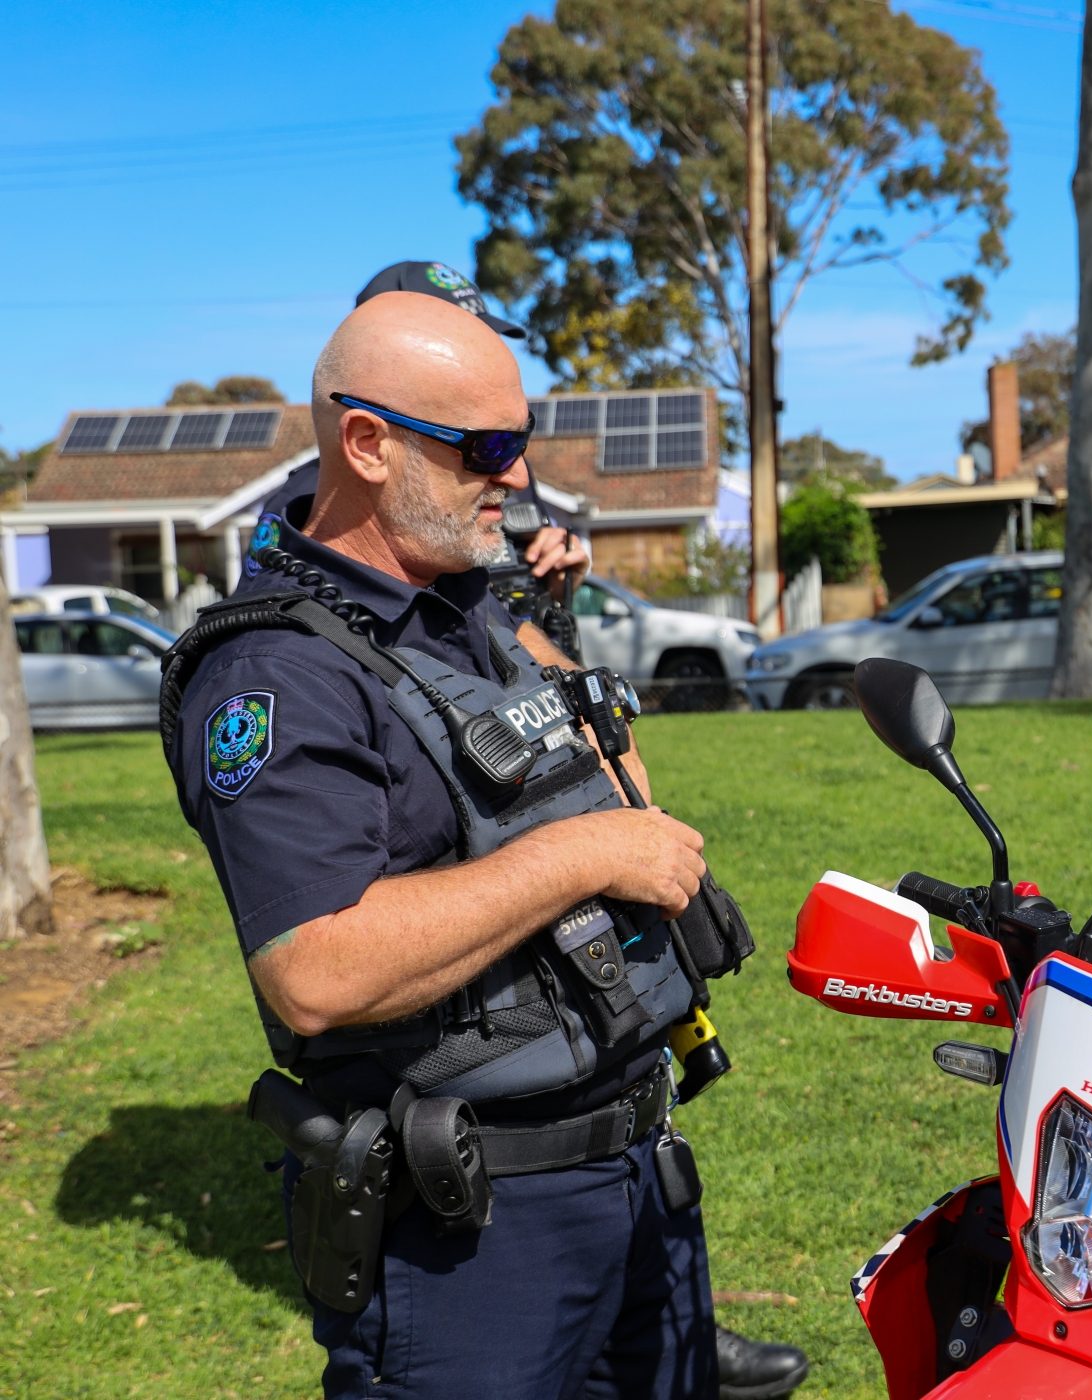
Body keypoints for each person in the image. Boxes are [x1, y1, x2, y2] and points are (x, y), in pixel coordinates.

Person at [160, 291, 776, 1399]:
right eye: (484, 447)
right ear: (367, 441)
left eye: (521, 443)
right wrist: (579, 858)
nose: (513, 473)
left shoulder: (471, 608)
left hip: (635, 1167)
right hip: (475, 1232)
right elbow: (316, 967)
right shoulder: (275, 676)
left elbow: (614, 775)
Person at [244, 261, 588, 606]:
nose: (513, 476)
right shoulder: (306, 498)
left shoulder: (504, 468)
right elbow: (263, 614)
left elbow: (516, 589)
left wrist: (553, 588)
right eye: (452, 333)